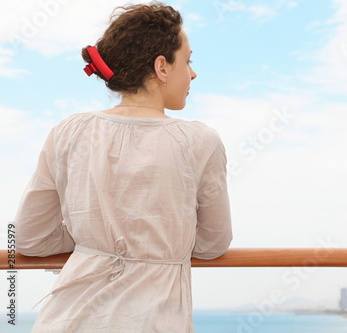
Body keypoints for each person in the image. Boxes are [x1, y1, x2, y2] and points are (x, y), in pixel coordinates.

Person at [14, 2, 232, 332]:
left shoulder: (69, 131)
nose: (193, 73)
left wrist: (94, 242)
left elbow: (30, 238)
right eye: (187, 61)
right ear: (162, 67)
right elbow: (213, 242)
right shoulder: (199, 140)